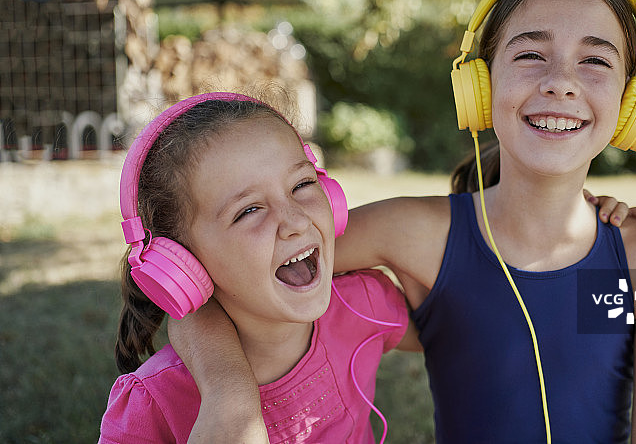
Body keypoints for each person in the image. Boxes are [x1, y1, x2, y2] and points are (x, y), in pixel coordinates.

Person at [170, 0, 636, 444]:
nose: (560, 82)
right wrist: (230, 400)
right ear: (481, 84)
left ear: (631, 102)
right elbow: (202, 280)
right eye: (531, 55)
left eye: (596, 61)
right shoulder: (413, 232)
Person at [98, 91, 421, 444]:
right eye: (249, 210)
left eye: (302, 184)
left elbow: (453, 339)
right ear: (181, 263)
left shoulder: (365, 304)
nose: (295, 220)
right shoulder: (151, 403)